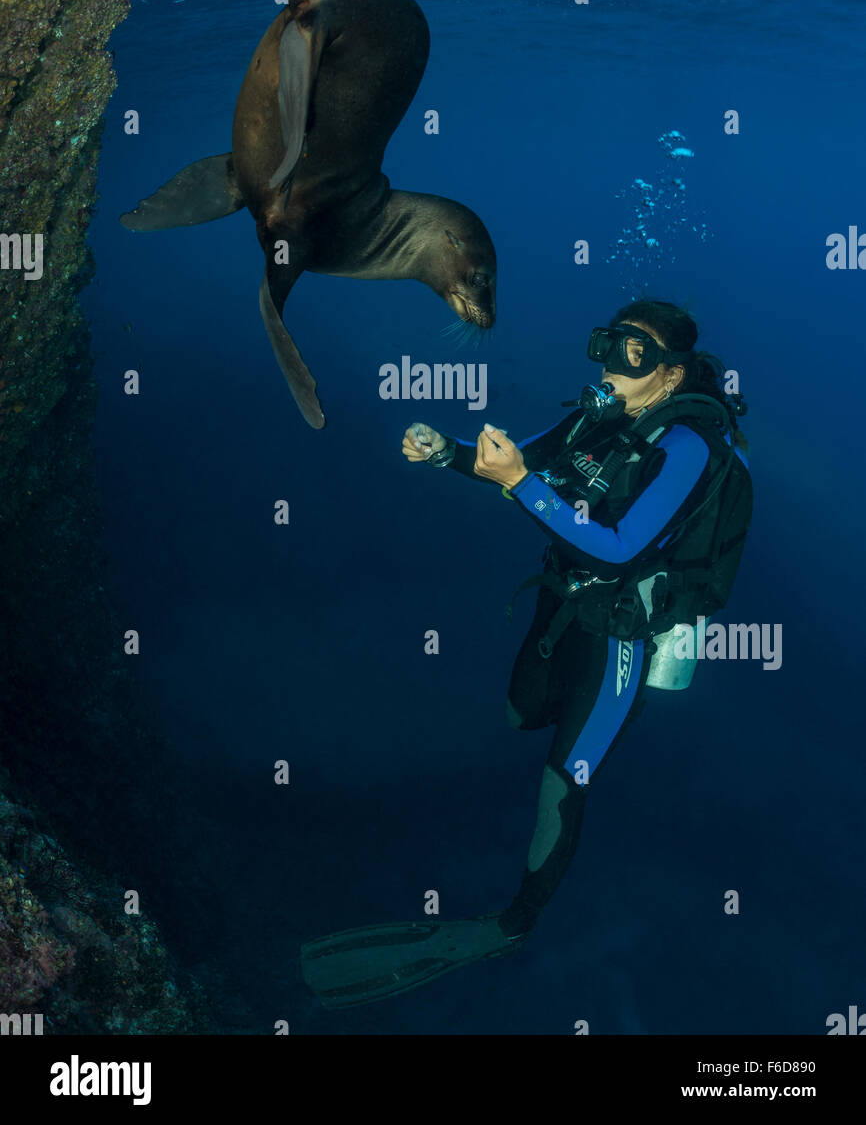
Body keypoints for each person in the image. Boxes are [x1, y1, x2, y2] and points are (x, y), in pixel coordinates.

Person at [299, 299, 752, 1007]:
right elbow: (525, 462)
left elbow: (622, 545)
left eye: (632, 356)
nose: (612, 366)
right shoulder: (595, 419)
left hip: (619, 632)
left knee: (564, 781)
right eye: (607, 345)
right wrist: (445, 453)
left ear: (669, 374)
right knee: (519, 713)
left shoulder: (689, 447)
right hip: (561, 603)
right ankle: (554, 742)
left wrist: (517, 484)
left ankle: (515, 923)